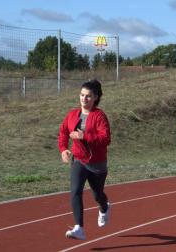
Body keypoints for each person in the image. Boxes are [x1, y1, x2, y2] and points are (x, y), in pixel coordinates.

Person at [58, 79, 111, 240]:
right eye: (82, 95)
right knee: (75, 192)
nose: (84, 99)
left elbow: (105, 138)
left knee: (97, 195)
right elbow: (63, 132)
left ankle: (104, 207)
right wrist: (64, 149)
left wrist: (84, 136)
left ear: (95, 97)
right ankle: (79, 228)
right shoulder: (72, 115)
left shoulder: (99, 116)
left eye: (88, 96)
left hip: (97, 164)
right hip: (79, 160)